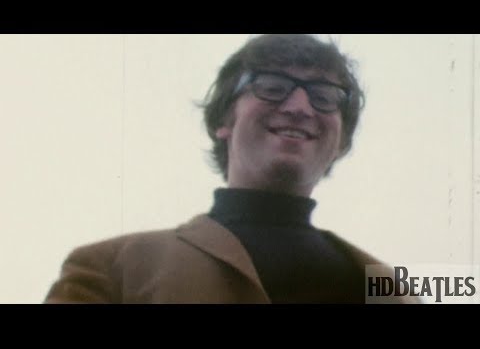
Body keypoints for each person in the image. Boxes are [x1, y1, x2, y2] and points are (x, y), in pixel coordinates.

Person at [44, 34, 414, 304]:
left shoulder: (390, 290)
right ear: (225, 119)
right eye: (273, 87)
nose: (300, 106)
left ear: (342, 140)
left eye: (324, 97)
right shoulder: (111, 270)